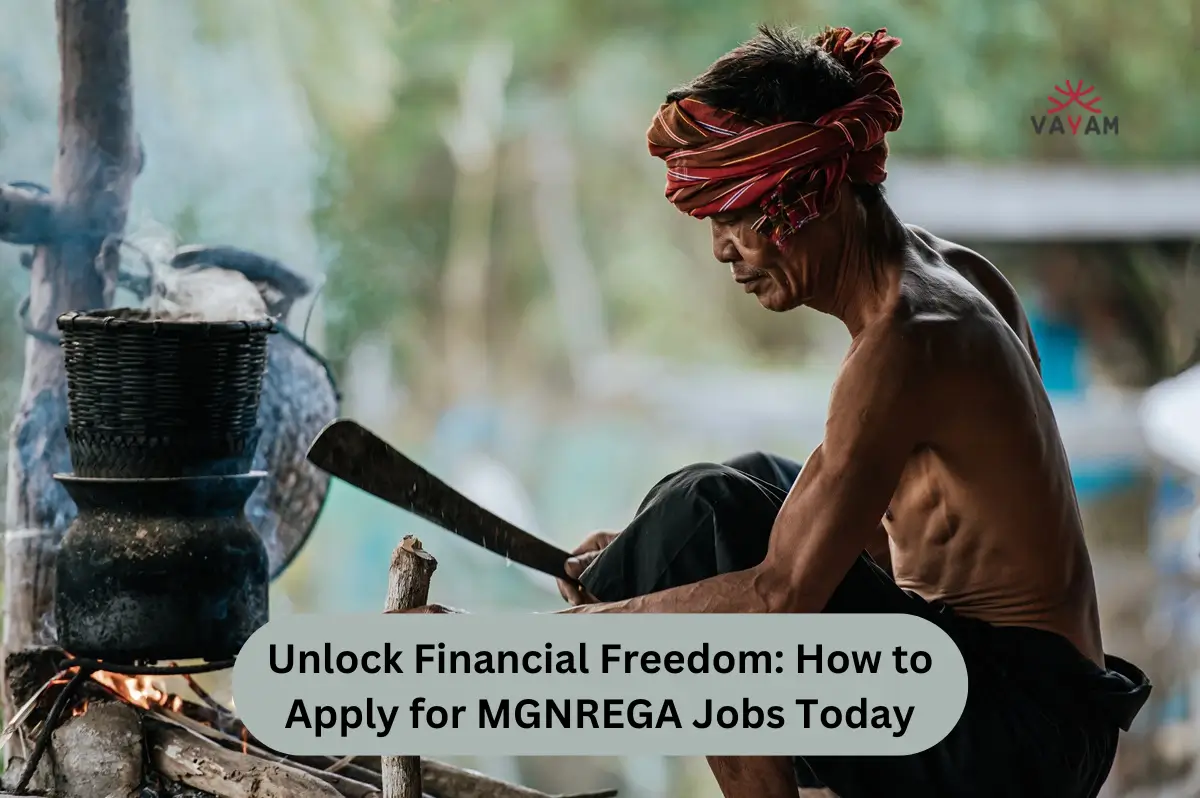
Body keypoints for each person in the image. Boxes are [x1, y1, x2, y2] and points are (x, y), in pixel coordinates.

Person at [406, 25, 1152, 798]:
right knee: (727, 497)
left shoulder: (903, 348)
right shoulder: (957, 279)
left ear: (815, 193)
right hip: (1024, 704)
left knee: (704, 517)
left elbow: (779, 597)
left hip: (1015, 734)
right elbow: (868, 547)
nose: (723, 249)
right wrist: (641, 574)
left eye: (738, 216)